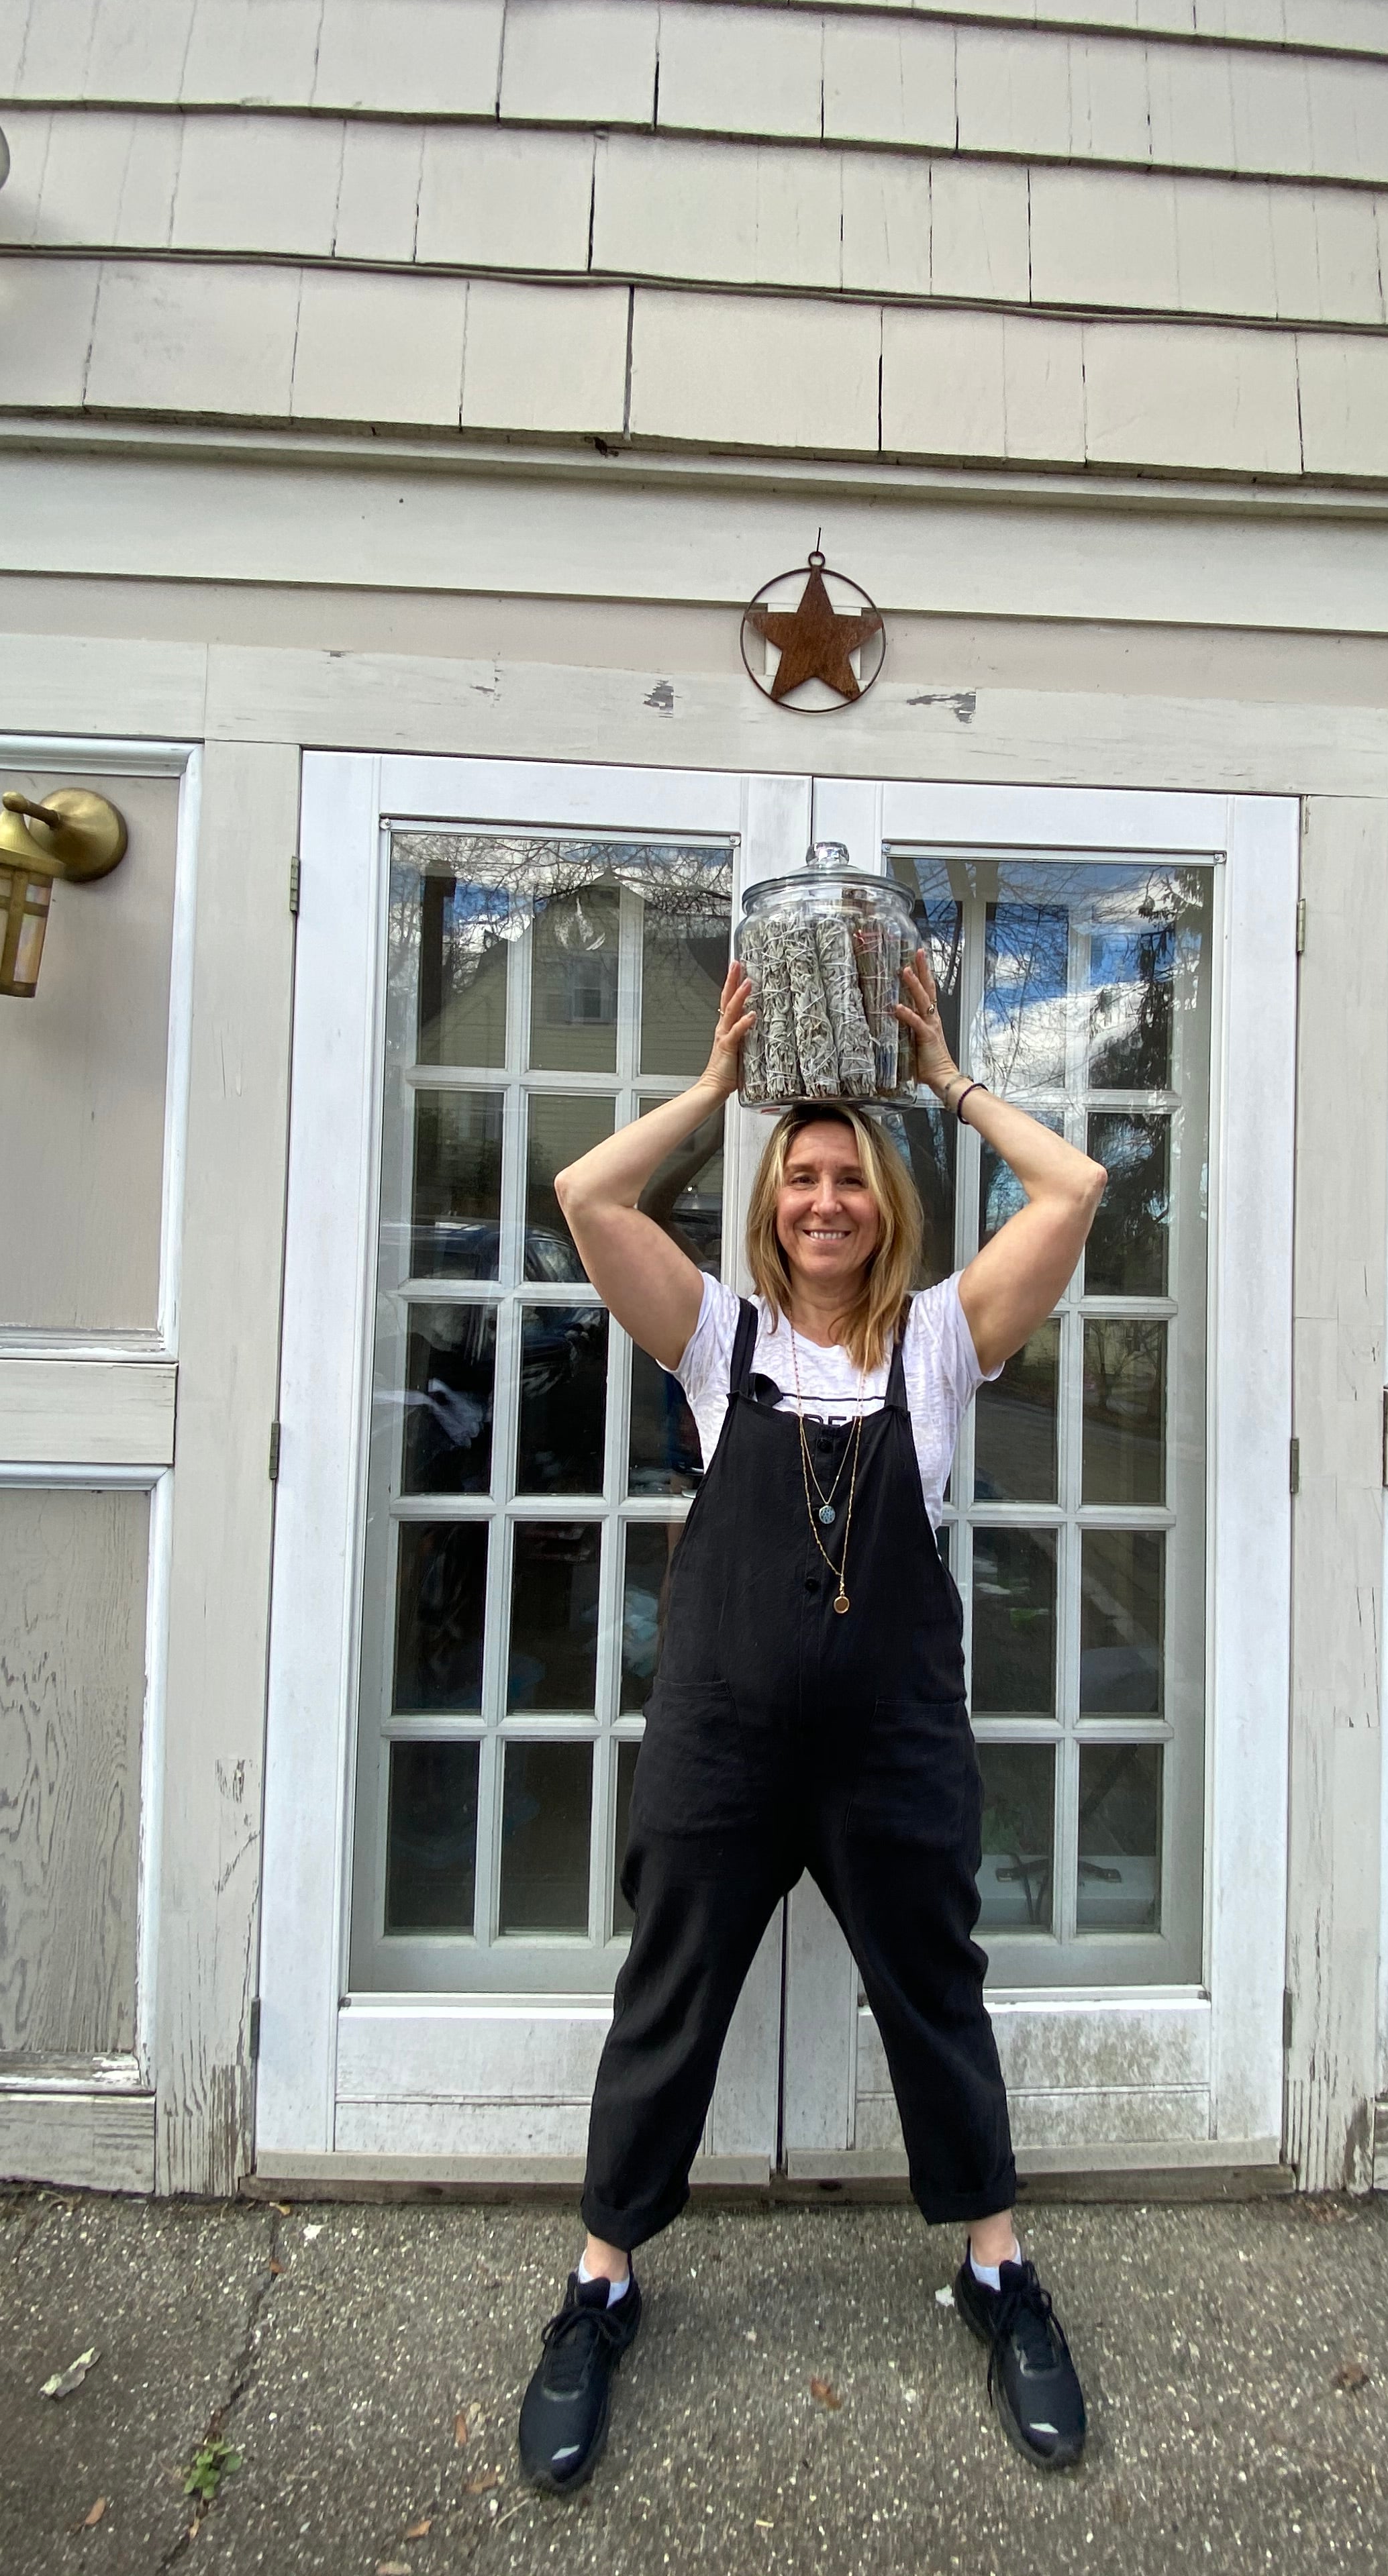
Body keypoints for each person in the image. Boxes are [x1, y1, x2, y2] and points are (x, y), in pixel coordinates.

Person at [516, 949, 1107, 2491]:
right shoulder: (719, 1341)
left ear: (884, 1202)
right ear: (770, 1205)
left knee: (936, 1998)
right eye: (801, 1179)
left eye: (849, 1178)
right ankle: (600, 2286)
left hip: (893, 1750)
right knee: (668, 1999)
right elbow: (588, 1195)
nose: (826, 1201)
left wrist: (949, 1081)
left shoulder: (945, 1344)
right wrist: (720, 1089)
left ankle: (997, 2271)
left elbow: (1075, 1190)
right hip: (722, 1747)